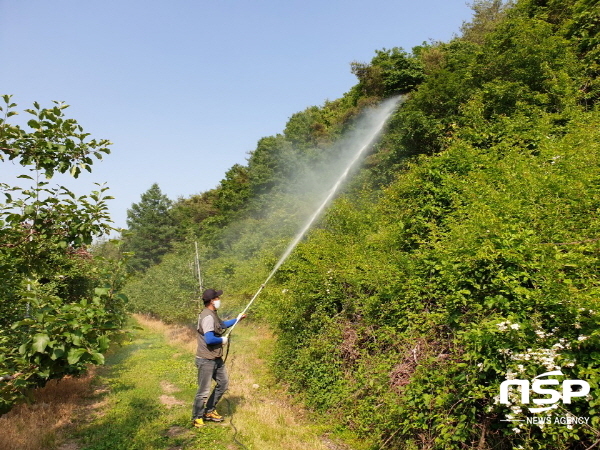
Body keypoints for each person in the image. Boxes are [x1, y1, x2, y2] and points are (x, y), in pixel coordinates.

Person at [192, 288, 245, 428]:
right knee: (203, 391)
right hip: (206, 359)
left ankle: (209, 411)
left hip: (216, 358)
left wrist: (237, 319)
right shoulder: (207, 317)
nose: (218, 300)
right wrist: (222, 340)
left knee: (223, 384)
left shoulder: (213, 313)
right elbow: (209, 339)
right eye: (217, 298)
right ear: (211, 301)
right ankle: (197, 417)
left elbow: (222, 325)